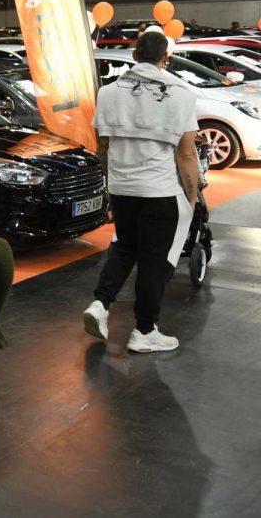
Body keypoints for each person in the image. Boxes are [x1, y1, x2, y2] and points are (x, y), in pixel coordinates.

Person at [83, 31, 200, 353]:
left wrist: (111, 187)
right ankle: (145, 330)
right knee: (153, 260)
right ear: (166, 59)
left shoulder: (107, 93)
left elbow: (103, 147)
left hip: (122, 188)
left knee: (124, 247)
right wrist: (191, 197)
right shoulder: (182, 94)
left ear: (134, 56)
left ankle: (100, 304)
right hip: (159, 191)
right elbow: (186, 155)